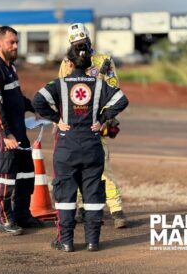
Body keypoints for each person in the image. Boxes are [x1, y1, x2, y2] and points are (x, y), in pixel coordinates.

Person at [33, 43, 128, 252]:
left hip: (67, 146)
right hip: (92, 144)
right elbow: (122, 100)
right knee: (93, 193)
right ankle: (93, 241)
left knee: (66, 195)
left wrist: (56, 119)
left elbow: (37, 101)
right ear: (88, 63)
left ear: (69, 62)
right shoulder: (99, 84)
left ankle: (66, 241)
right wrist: (103, 118)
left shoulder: (60, 83)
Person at [59, 23, 127, 228]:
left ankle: (116, 210)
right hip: (75, 124)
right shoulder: (66, 62)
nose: (80, 47)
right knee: (78, 167)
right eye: (76, 43)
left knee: (102, 166)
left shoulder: (104, 61)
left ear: (89, 40)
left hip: (96, 123)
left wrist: (106, 117)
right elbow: (62, 89)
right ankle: (81, 207)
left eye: (83, 42)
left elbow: (114, 90)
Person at [0, 26, 43, 235]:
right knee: (5, 177)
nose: (16, 46)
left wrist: (37, 109)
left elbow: (17, 99)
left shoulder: (10, 67)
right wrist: (5, 134)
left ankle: (22, 215)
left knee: (26, 174)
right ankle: (4, 218)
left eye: (17, 42)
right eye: (11, 42)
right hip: (6, 135)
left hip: (19, 132)